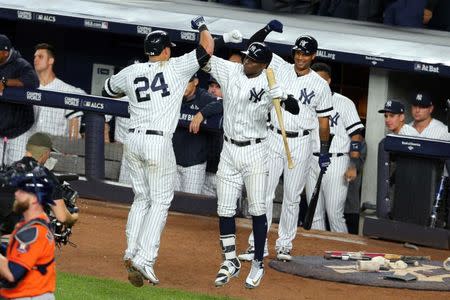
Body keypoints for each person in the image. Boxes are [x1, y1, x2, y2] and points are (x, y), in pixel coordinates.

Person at [102, 16, 214, 287]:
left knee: (141, 198)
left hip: (134, 140)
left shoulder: (132, 71)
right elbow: (207, 47)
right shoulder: (175, 66)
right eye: (169, 48)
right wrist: (200, 25)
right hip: (157, 142)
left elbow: (107, 90)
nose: (171, 51)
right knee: (161, 201)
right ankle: (145, 258)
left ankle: (131, 251)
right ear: (164, 50)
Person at [206, 41, 299, 288]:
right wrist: (215, 35)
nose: (247, 62)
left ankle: (258, 262)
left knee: (257, 209)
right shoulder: (231, 70)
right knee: (225, 209)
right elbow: (204, 59)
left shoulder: (270, 82)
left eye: (253, 60)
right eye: (247, 57)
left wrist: (283, 97)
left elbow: (295, 108)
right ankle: (229, 261)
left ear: (264, 64)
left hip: (255, 151)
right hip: (228, 150)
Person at [239, 20, 333, 262]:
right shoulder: (280, 67)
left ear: (313, 56)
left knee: (291, 197)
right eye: (298, 52)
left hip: (301, 142)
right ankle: (257, 245)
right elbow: (253, 46)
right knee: (264, 193)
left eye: (305, 54)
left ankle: (284, 245)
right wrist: (267, 29)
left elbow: (324, 123)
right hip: (273, 136)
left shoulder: (320, 85)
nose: (300, 57)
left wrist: (323, 150)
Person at [303, 62, 364, 233]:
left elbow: (356, 135)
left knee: (334, 213)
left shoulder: (344, 103)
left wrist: (353, 164)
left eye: (321, 79)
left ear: (329, 81)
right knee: (314, 212)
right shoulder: (305, 101)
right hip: (310, 159)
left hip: (336, 159)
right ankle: (317, 254)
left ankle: (343, 254)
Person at [0, 132, 79, 238]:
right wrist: (72, 218)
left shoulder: (8, 170)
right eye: (49, 153)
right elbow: (62, 217)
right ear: (45, 153)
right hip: (23, 236)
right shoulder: (47, 177)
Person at [0, 168, 56, 300]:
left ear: (34, 199)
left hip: (28, 296)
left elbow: (12, 274)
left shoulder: (33, 232)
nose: (16, 194)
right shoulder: (38, 222)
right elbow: (15, 255)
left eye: (21, 191)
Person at [173, 73, 223, 194]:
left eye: (188, 82)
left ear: (195, 82)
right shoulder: (175, 95)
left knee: (190, 206)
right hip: (173, 162)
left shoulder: (203, 97)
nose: (183, 86)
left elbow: (222, 104)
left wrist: (202, 113)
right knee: (171, 204)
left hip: (194, 166)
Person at [0, 34, 39, 167]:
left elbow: (33, 82)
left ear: (5, 52)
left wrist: (5, 82)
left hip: (19, 130)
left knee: (17, 168)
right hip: (2, 128)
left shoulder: (20, 64)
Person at [33, 43, 85, 139]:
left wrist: (69, 151)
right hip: (30, 149)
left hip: (55, 150)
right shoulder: (30, 88)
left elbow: (74, 128)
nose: (36, 59)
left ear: (50, 60)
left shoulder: (67, 91)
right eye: (35, 57)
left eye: (40, 57)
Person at [201, 76, 224, 197]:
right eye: (211, 86)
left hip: (226, 173)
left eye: (218, 87)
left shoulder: (232, 108)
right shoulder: (200, 106)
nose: (213, 90)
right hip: (205, 170)